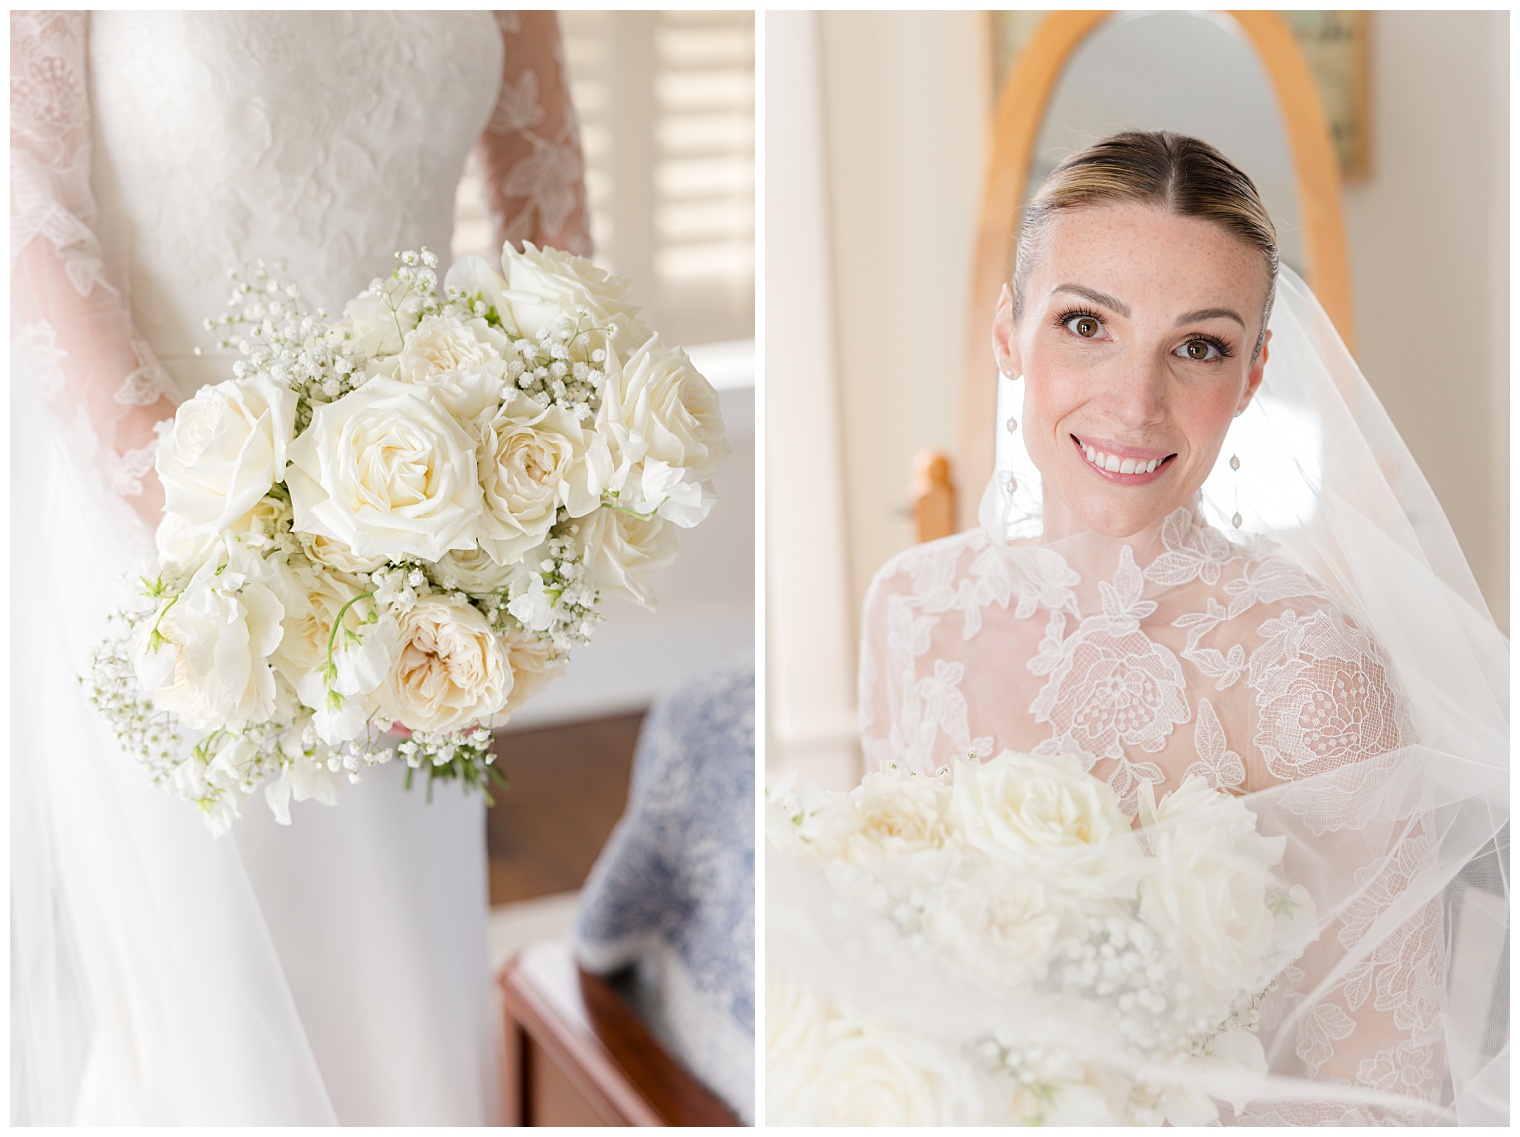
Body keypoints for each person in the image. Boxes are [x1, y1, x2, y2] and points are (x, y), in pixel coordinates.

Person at [781, 131, 1504, 1123]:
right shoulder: (910, 612)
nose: (1133, 402)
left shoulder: (1308, 671)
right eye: (1085, 325)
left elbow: (1375, 1097)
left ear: (1250, 375)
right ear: (1007, 333)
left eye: (1197, 347)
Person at [11, 11, 590, 1124]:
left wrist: (518, 515)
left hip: (426, 547)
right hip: (172, 561)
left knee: (398, 986)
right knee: (220, 1033)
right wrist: (211, 523)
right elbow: (32, 212)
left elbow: (546, 208)